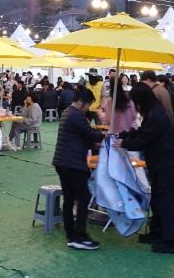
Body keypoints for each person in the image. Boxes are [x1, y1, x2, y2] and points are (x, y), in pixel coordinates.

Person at [116, 83, 174, 254]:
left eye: (136, 102)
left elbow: (144, 140)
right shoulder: (153, 111)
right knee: (158, 199)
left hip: (166, 163)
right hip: (159, 162)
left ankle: (170, 240)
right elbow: (142, 133)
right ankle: (157, 232)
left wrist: (124, 142)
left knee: (166, 201)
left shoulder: (155, 114)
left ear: (142, 100)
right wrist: (125, 135)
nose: (135, 106)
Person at [51, 86, 103, 250]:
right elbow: (90, 135)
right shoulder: (77, 115)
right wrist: (106, 135)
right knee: (84, 197)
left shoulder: (67, 112)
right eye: (88, 105)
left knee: (69, 199)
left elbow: (80, 136)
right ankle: (80, 235)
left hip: (62, 162)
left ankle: (71, 236)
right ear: (82, 102)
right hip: (73, 163)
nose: (88, 108)